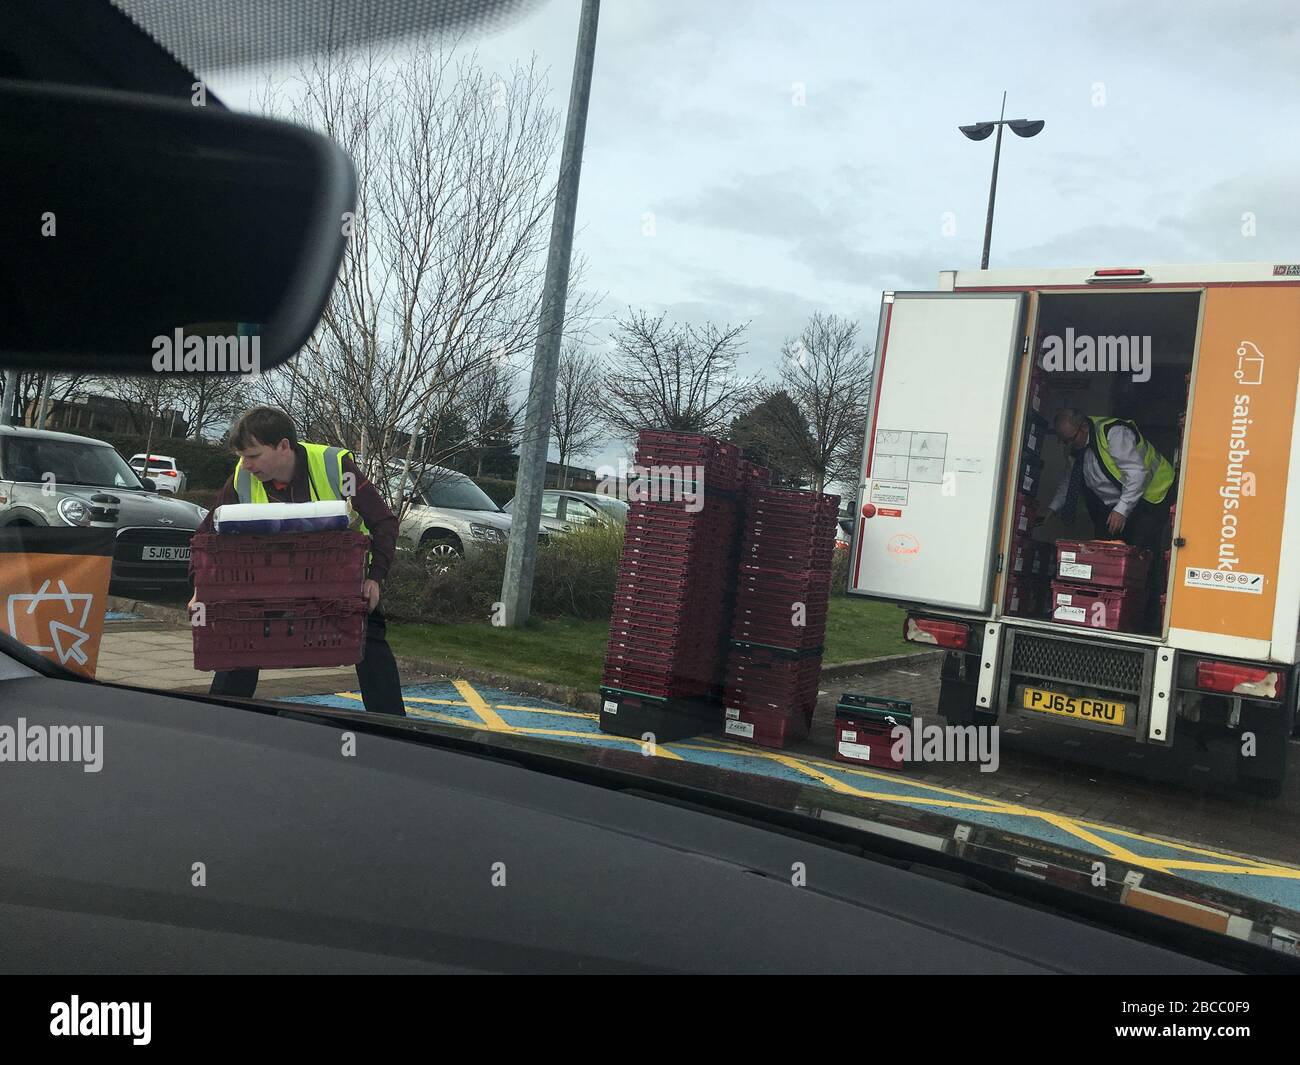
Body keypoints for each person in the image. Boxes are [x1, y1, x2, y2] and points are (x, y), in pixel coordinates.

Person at [188, 406, 406, 716]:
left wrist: (375, 578)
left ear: (283, 446)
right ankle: (223, 719)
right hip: (269, 581)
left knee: (369, 641)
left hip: (338, 581)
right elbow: (207, 537)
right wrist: (200, 589)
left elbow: (383, 522)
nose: (245, 464)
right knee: (240, 640)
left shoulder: (335, 468)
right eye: (242, 457)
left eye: (253, 455)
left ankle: (392, 729)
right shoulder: (241, 477)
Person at [1043, 407, 1177, 628]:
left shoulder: (1113, 434)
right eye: (1062, 440)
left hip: (1151, 498)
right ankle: (1109, 613)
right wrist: (1052, 509)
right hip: (1115, 505)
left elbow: (1137, 474)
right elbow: (1069, 481)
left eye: (1069, 439)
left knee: (1142, 557)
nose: (1066, 444)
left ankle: (1144, 619)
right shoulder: (1077, 448)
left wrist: (1122, 510)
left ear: (1083, 427)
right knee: (1107, 560)